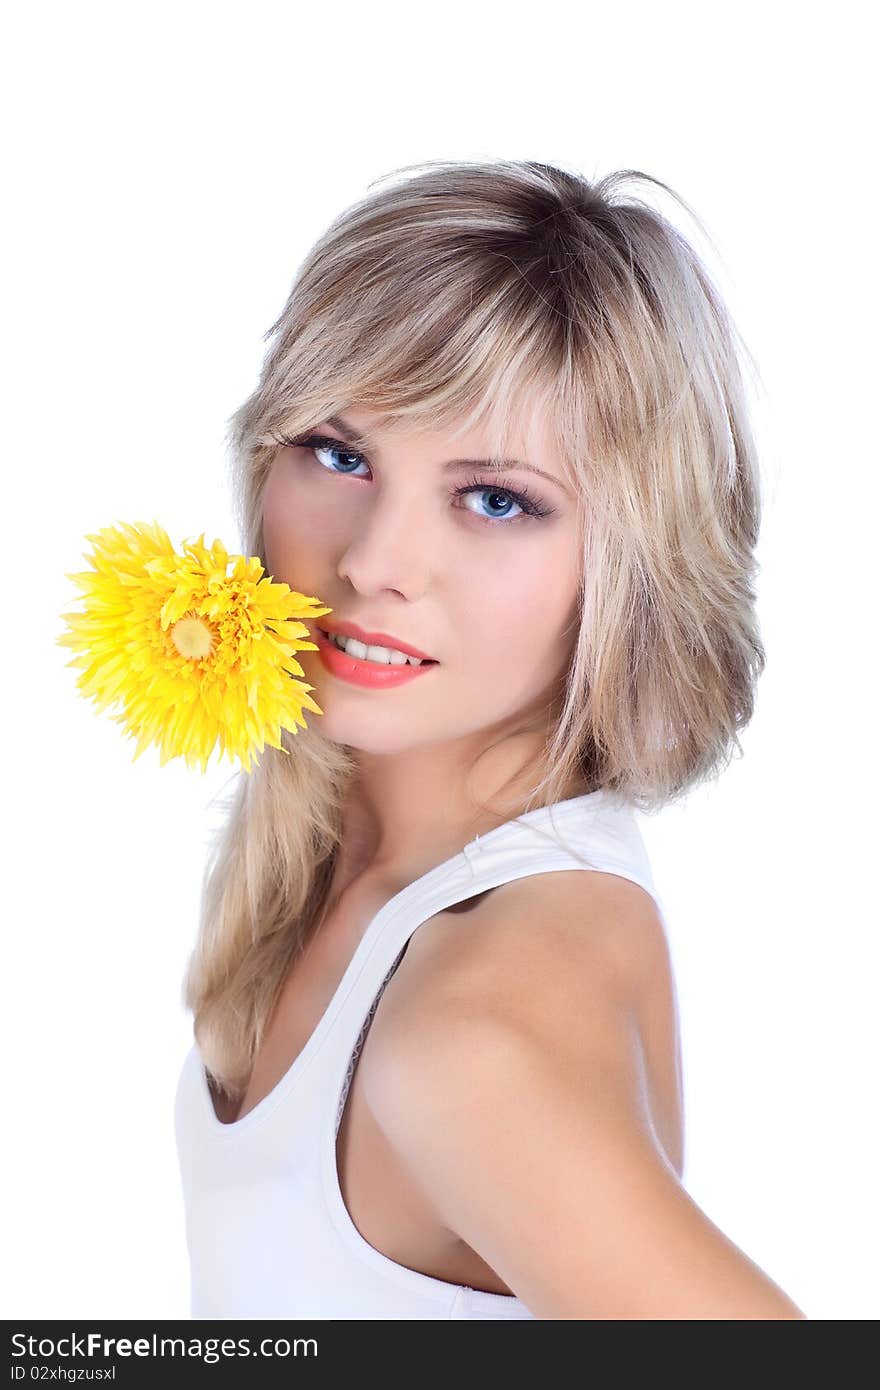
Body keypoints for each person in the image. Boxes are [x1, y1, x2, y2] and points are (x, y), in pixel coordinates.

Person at [173, 158, 805, 1319]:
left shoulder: (471, 1018)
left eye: (496, 498)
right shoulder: (363, 868)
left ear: (631, 562)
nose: (371, 561)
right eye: (339, 452)